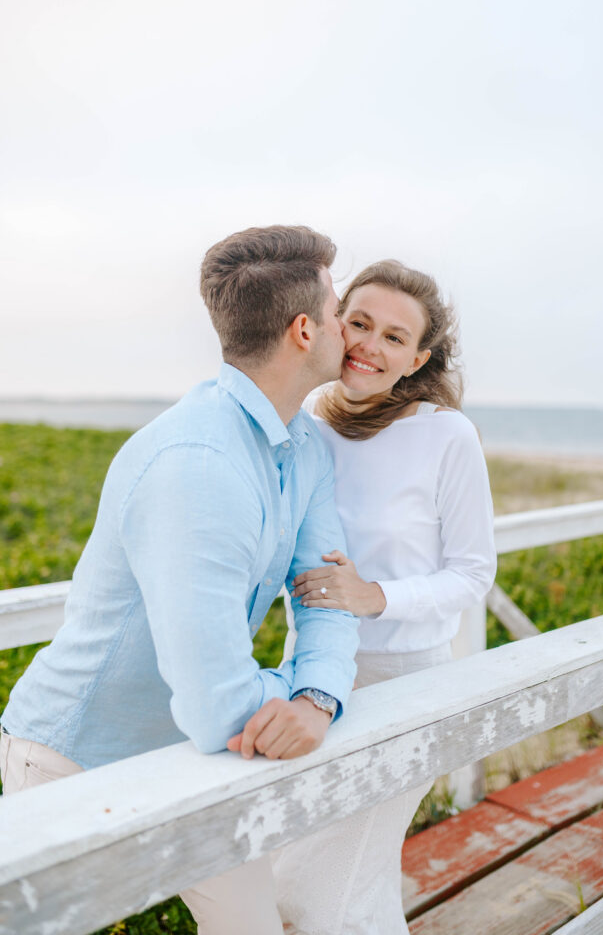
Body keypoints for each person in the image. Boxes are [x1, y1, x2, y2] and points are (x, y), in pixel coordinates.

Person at [0, 225, 360, 935]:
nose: (347, 325)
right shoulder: (197, 463)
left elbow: (329, 595)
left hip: (197, 758)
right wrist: (280, 697)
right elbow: (216, 702)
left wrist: (317, 696)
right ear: (302, 329)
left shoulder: (307, 446)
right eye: (340, 307)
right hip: (76, 760)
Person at [274, 260, 497, 935]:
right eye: (360, 323)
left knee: (325, 882)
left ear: (417, 358)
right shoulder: (311, 416)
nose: (370, 345)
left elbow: (471, 573)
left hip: (402, 680)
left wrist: (375, 597)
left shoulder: (445, 435)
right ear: (333, 323)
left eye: (394, 338)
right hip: (308, 673)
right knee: (307, 865)